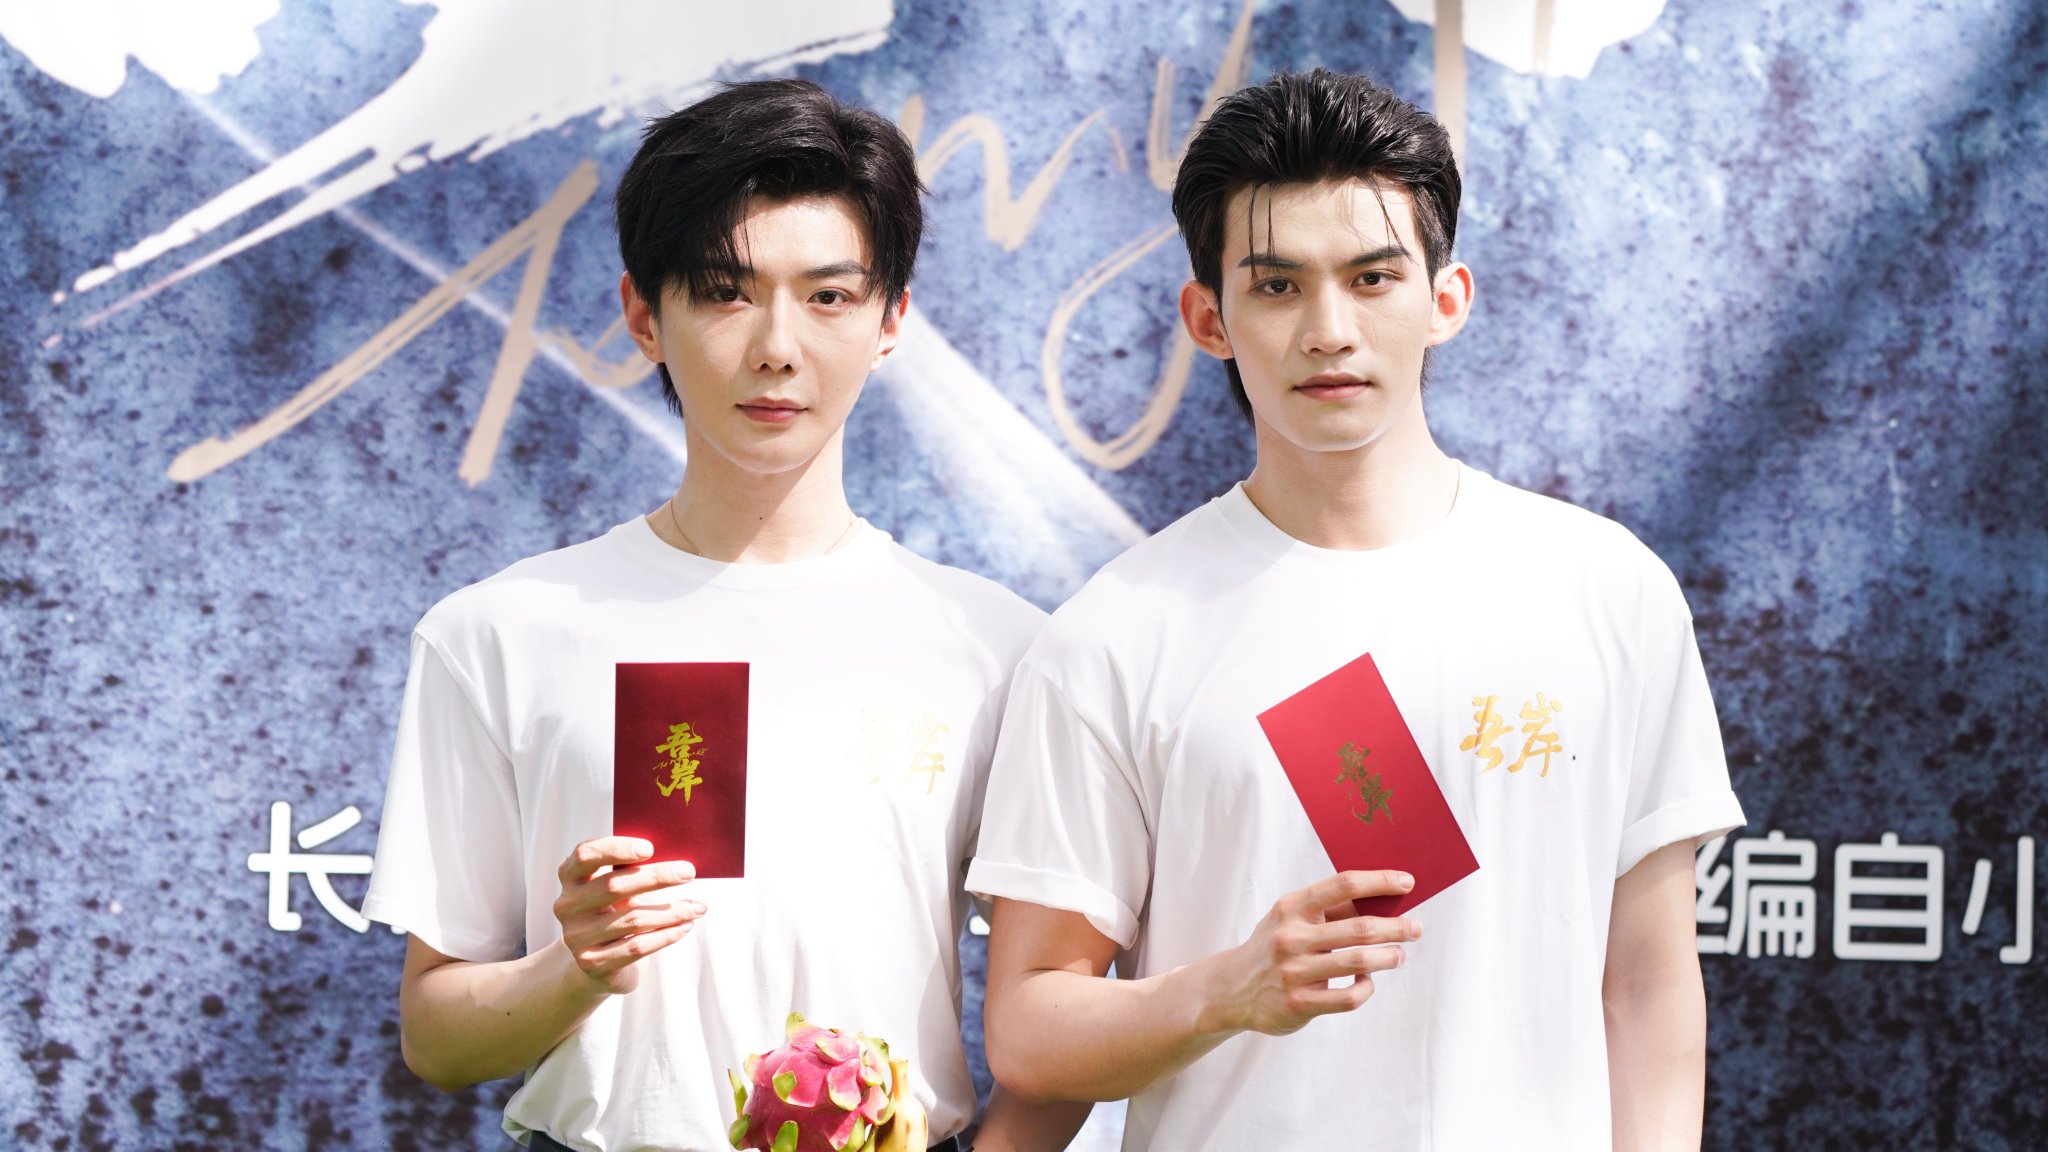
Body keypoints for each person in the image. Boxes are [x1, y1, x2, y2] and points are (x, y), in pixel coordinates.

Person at [971, 69, 1744, 1151]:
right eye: (1277, 286)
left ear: (1445, 299)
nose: (1329, 330)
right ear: (1208, 318)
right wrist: (1228, 989)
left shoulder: (1605, 589)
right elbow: (1029, 1030)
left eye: (1372, 278)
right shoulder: (1116, 634)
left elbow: (1647, 987)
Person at [363, 78, 1084, 1152]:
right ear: (643, 316)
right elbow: (436, 1034)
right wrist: (576, 968)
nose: (776, 347)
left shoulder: (998, 646)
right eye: (724, 292)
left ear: (891, 320)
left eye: (828, 297)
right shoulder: (500, 634)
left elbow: (1060, 1006)